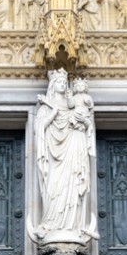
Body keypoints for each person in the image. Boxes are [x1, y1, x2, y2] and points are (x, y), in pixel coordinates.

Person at [31, 69, 98, 242]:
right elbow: (40, 127)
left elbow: (83, 120)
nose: (62, 84)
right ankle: (51, 224)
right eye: (59, 81)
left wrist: (83, 124)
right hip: (54, 156)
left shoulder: (73, 106)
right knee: (54, 188)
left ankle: (73, 225)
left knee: (73, 183)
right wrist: (53, 113)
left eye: (64, 81)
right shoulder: (46, 107)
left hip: (73, 150)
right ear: (53, 85)